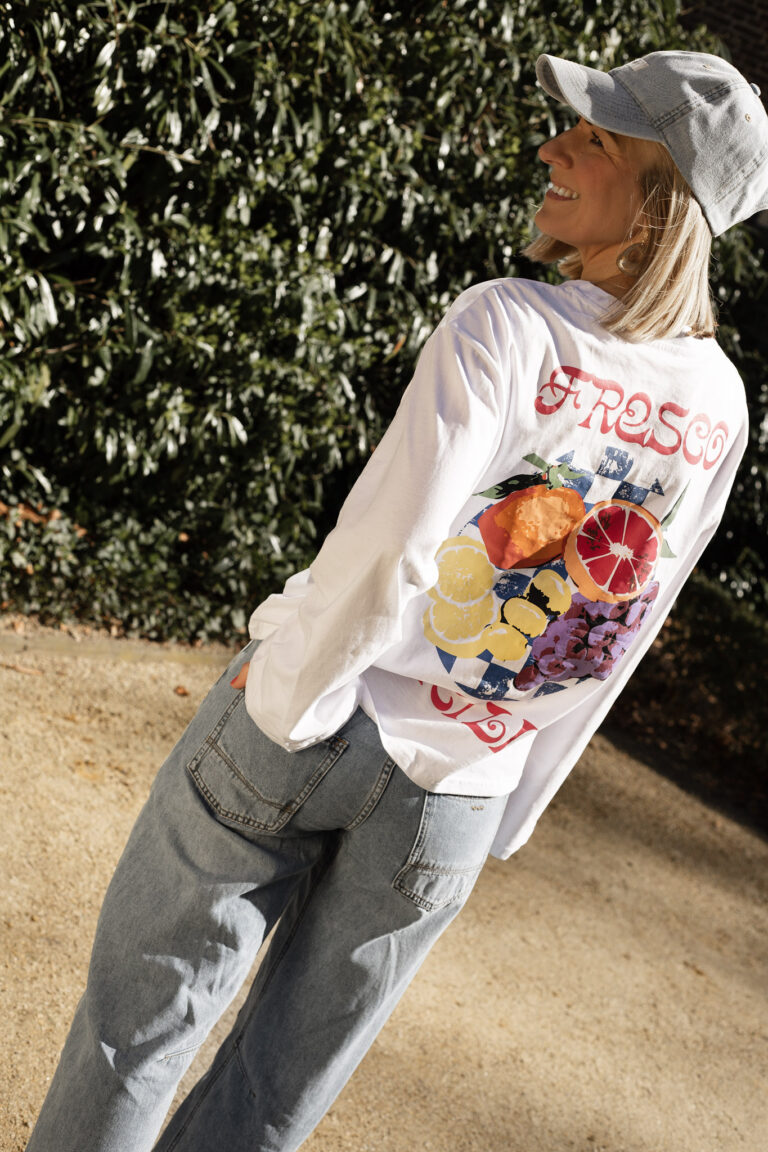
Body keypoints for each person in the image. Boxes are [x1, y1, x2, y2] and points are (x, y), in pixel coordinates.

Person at [28, 49, 768, 1152]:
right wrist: (511, 798)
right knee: (272, 1099)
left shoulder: (509, 322)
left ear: (661, 199)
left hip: (312, 723)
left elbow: (391, 548)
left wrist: (289, 699)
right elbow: (623, 629)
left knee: (134, 1037)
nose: (551, 147)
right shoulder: (721, 403)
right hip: (459, 792)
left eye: (593, 139)